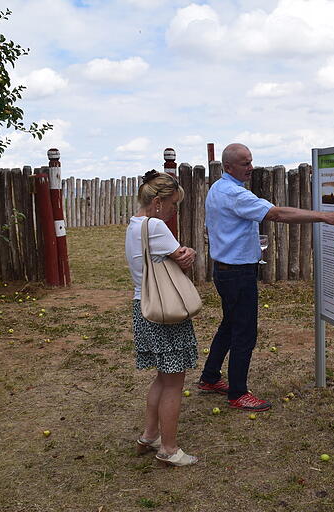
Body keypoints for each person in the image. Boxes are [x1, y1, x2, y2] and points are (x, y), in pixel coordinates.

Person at [198, 143, 334, 411]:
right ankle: (237, 393)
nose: (251, 167)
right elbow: (277, 213)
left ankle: (210, 377)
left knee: (230, 324)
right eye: (245, 163)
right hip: (237, 273)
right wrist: (323, 216)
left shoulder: (218, 188)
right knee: (244, 332)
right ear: (228, 167)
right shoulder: (236, 194)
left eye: (251, 161)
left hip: (224, 270)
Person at [125, 170, 199, 466]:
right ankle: (168, 449)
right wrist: (190, 253)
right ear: (157, 202)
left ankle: (150, 434)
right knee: (174, 381)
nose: (173, 211)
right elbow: (183, 260)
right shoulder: (156, 226)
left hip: (143, 308)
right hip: (165, 312)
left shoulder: (135, 224)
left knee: (162, 376)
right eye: (172, 205)